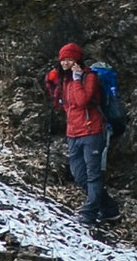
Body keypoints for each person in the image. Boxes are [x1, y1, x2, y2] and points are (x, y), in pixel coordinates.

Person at [43, 39, 124, 228]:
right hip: (73, 133)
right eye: (63, 60)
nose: (65, 63)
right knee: (79, 175)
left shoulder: (89, 78)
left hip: (92, 131)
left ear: (77, 61)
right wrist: (53, 82)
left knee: (93, 175)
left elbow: (81, 101)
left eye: (69, 60)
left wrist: (78, 79)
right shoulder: (64, 81)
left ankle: (89, 214)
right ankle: (110, 210)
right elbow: (60, 104)